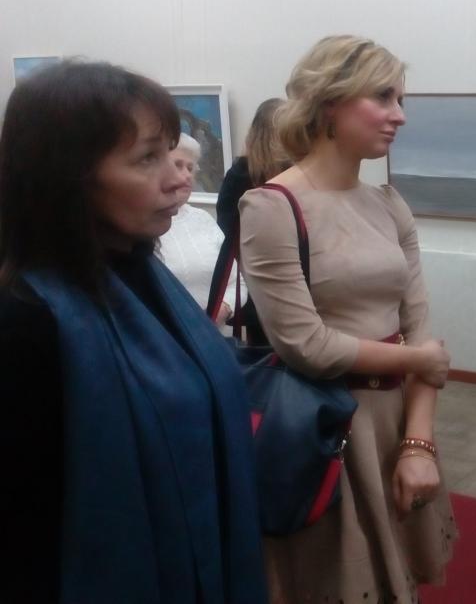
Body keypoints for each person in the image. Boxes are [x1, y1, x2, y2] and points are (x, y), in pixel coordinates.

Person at [0, 61, 266, 604]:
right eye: (147, 159)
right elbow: (22, 523)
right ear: (67, 178)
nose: (178, 177)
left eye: (171, 151)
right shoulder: (28, 317)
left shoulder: (147, 277)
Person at [239, 35, 456, 604]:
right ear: (329, 102)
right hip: (326, 427)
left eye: (400, 99)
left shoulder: (387, 202)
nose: (399, 115)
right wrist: (416, 358)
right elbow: (305, 344)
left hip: (395, 420)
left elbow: (420, 324)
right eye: (382, 97)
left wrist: (419, 443)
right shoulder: (271, 207)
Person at [216, 97, 289, 343]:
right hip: (266, 278)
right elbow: (229, 234)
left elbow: (226, 230)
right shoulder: (243, 175)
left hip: (261, 276)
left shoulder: (240, 174)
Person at [159, 132, 236, 322]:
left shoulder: (203, 219)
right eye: (178, 165)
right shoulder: (143, 226)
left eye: (190, 168)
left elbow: (236, 279)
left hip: (214, 333)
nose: (187, 175)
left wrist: (223, 309)